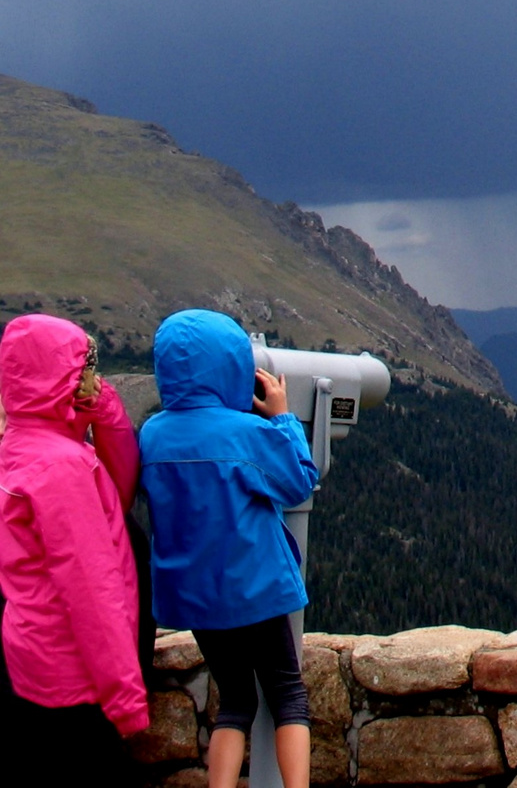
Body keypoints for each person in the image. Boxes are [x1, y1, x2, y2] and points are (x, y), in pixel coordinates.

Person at [141, 309, 319, 788]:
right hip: (255, 587)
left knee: (236, 700)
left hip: (194, 598)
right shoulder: (245, 433)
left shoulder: (153, 435)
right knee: (288, 694)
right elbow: (298, 480)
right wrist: (282, 417)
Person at [0, 314, 149, 785]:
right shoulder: (63, 470)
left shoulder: (19, 447)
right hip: (72, 677)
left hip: (29, 663)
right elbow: (92, 589)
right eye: (81, 368)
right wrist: (126, 700)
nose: (90, 378)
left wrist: (97, 415)